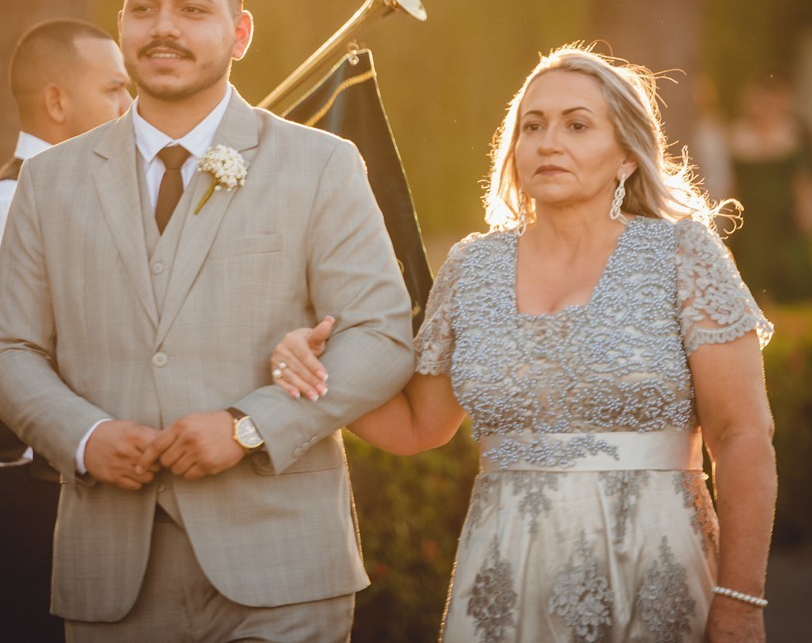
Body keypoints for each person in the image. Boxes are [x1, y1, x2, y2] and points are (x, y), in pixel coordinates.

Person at [0, 0, 415, 642]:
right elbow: (7, 354)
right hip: (111, 578)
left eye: (192, 9)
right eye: (143, 8)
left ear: (239, 33)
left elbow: (383, 337)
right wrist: (84, 437)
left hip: (283, 570)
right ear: (122, 24)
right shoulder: (50, 182)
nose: (163, 28)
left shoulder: (321, 165)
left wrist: (248, 426)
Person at [273, 45, 778, 642]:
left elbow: (741, 436)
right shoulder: (473, 267)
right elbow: (417, 425)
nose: (548, 143)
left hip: (654, 567)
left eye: (577, 126)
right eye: (532, 127)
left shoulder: (681, 255)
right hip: (505, 573)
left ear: (625, 155)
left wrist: (740, 601)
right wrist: (314, 370)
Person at [0, 18, 132, 643]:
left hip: (98, 493)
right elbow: (38, 359)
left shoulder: (101, 197)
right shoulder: (5, 208)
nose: (131, 106)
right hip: (40, 501)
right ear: (56, 102)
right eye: (114, 89)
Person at [726, 76, 812, 305]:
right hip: (752, 210)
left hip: (782, 210)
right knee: (751, 256)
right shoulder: (738, 137)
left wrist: (806, 207)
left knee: (787, 258)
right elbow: (735, 180)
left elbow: (802, 178)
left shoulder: (789, 136)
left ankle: (791, 298)